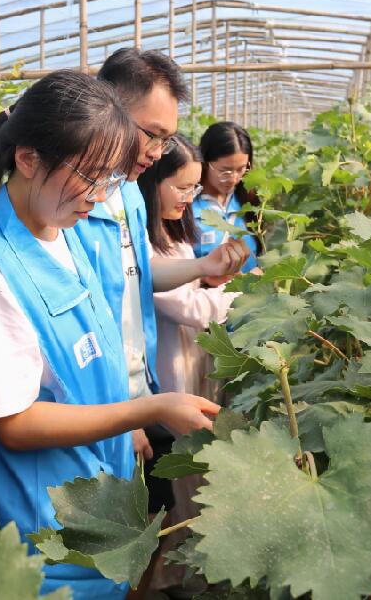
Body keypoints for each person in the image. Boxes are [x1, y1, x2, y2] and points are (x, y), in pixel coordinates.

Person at [0, 71, 222, 600]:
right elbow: (14, 423)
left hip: (96, 510)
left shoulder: (65, 232)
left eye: (110, 179)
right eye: (90, 177)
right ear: (28, 159)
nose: (99, 196)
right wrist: (146, 409)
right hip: (45, 541)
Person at [74, 47, 249, 468]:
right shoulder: (72, 206)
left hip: (140, 390)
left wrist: (202, 267)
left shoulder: (128, 194)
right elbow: (86, 325)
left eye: (167, 138)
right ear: (107, 111)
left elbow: (137, 274)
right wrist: (123, 414)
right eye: (151, 134)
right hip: (102, 406)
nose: (157, 151)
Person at [138, 134, 239, 404]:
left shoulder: (171, 229)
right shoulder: (143, 245)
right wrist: (240, 289)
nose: (190, 199)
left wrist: (205, 279)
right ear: (151, 182)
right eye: (182, 188)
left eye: (194, 188)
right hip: (169, 370)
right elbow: (190, 309)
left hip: (191, 359)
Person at [192, 121, 261, 273]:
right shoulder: (187, 207)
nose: (234, 178)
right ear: (205, 162)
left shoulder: (248, 202)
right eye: (225, 171)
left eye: (241, 169)